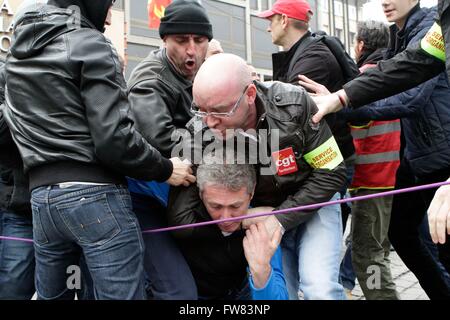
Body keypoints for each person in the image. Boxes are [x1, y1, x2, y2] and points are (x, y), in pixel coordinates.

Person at [3, 0, 193, 300]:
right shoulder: (91, 43)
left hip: (42, 202)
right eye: (110, 3)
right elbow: (116, 140)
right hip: (94, 198)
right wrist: (167, 169)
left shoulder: (18, 55)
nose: (109, 13)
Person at [302, 0, 450, 299]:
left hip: (438, 158)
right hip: (417, 160)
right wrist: (341, 97)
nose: (385, 1)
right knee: (403, 232)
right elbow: (409, 65)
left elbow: (408, 97)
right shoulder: (421, 33)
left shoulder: (426, 25)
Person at [183, 53, 347, 300]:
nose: (209, 122)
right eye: (201, 109)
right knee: (283, 292)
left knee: (319, 286)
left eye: (219, 111)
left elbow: (332, 172)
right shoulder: (200, 130)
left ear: (249, 95)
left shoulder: (294, 105)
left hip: (315, 201)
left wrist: (279, 218)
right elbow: (183, 215)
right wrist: (240, 217)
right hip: (256, 214)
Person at [258, 0, 353, 299]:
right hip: (297, 180)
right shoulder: (301, 55)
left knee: (319, 287)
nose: (267, 25)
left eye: (271, 19)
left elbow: (287, 123)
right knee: (289, 283)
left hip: (318, 177)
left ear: (284, 20)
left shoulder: (312, 58)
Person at [126, 0, 212, 299]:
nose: (191, 50)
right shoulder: (150, 79)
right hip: (145, 201)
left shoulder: (201, 72)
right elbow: (162, 138)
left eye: (199, 41)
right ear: (164, 39)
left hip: (182, 198)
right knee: (178, 291)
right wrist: (228, 142)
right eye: (181, 40)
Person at [168, 156, 288, 300]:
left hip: (243, 292)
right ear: (201, 193)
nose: (226, 218)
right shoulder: (183, 215)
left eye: (235, 206)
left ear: (252, 193)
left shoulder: (260, 224)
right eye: (215, 206)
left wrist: (261, 270)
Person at [343, 20, 400, 300]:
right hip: (385, 178)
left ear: (361, 45)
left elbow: (357, 124)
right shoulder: (389, 75)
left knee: (369, 257)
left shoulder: (364, 79)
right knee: (375, 250)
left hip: (369, 182)